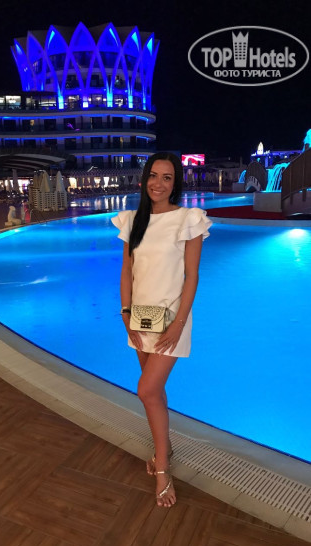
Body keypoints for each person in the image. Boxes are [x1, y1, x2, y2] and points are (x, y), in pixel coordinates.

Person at [112, 152, 212, 508]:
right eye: (153, 175)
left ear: (175, 183)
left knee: (146, 389)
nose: (158, 183)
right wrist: (125, 312)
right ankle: (164, 445)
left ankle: (163, 469)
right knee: (154, 392)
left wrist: (179, 325)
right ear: (144, 179)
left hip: (171, 320)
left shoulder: (188, 219)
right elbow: (127, 271)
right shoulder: (133, 220)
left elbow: (192, 277)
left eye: (167, 177)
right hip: (141, 316)